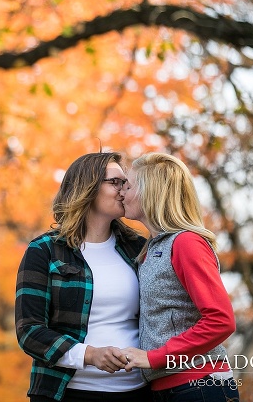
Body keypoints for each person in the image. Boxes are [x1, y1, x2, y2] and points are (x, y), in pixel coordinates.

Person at [15, 152, 150, 402]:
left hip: (138, 391)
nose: (125, 190)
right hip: (66, 392)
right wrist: (90, 354)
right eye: (116, 182)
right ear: (87, 187)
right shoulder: (44, 250)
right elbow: (29, 331)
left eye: (127, 182)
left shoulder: (140, 248)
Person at [119, 152, 239, 402]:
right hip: (169, 388)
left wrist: (153, 357)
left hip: (198, 385)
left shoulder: (186, 243)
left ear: (150, 191)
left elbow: (221, 320)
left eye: (128, 185)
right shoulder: (151, 248)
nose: (121, 192)